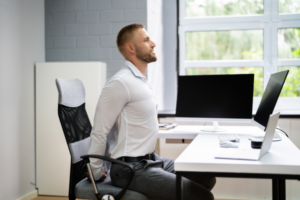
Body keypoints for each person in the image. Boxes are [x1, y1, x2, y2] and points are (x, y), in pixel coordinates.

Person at [88, 23, 216, 200]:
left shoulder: (139, 81)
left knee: (205, 177)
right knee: (202, 197)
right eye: (147, 40)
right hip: (130, 169)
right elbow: (100, 131)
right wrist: (95, 172)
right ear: (131, 48)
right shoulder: (119, 83)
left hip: (151, 160)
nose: (153, 43)